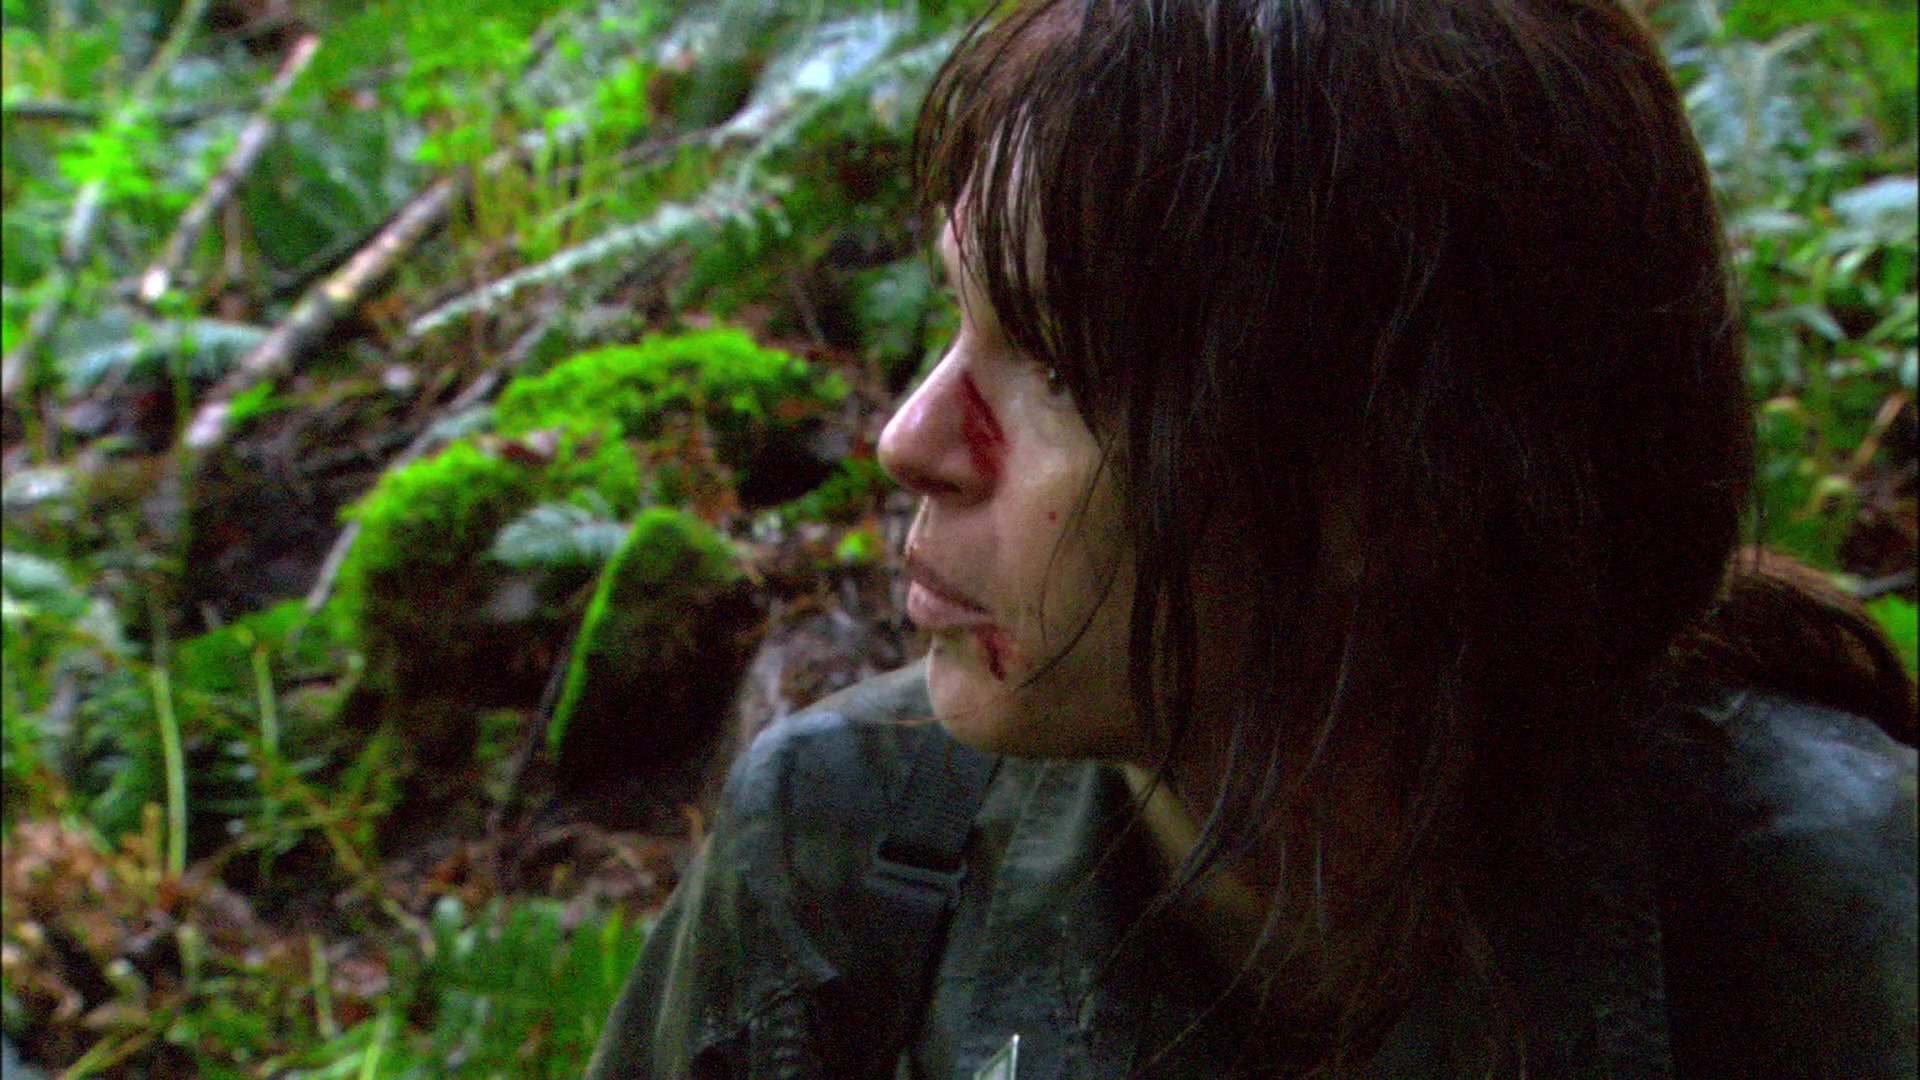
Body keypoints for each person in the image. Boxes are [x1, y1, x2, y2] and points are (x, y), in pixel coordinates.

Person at [584, 0, 1919, 1076]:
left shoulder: (1845, 928)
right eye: (959, 315)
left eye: (1060, 363)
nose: (911, 438)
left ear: (1401, 485)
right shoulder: (840, 855)